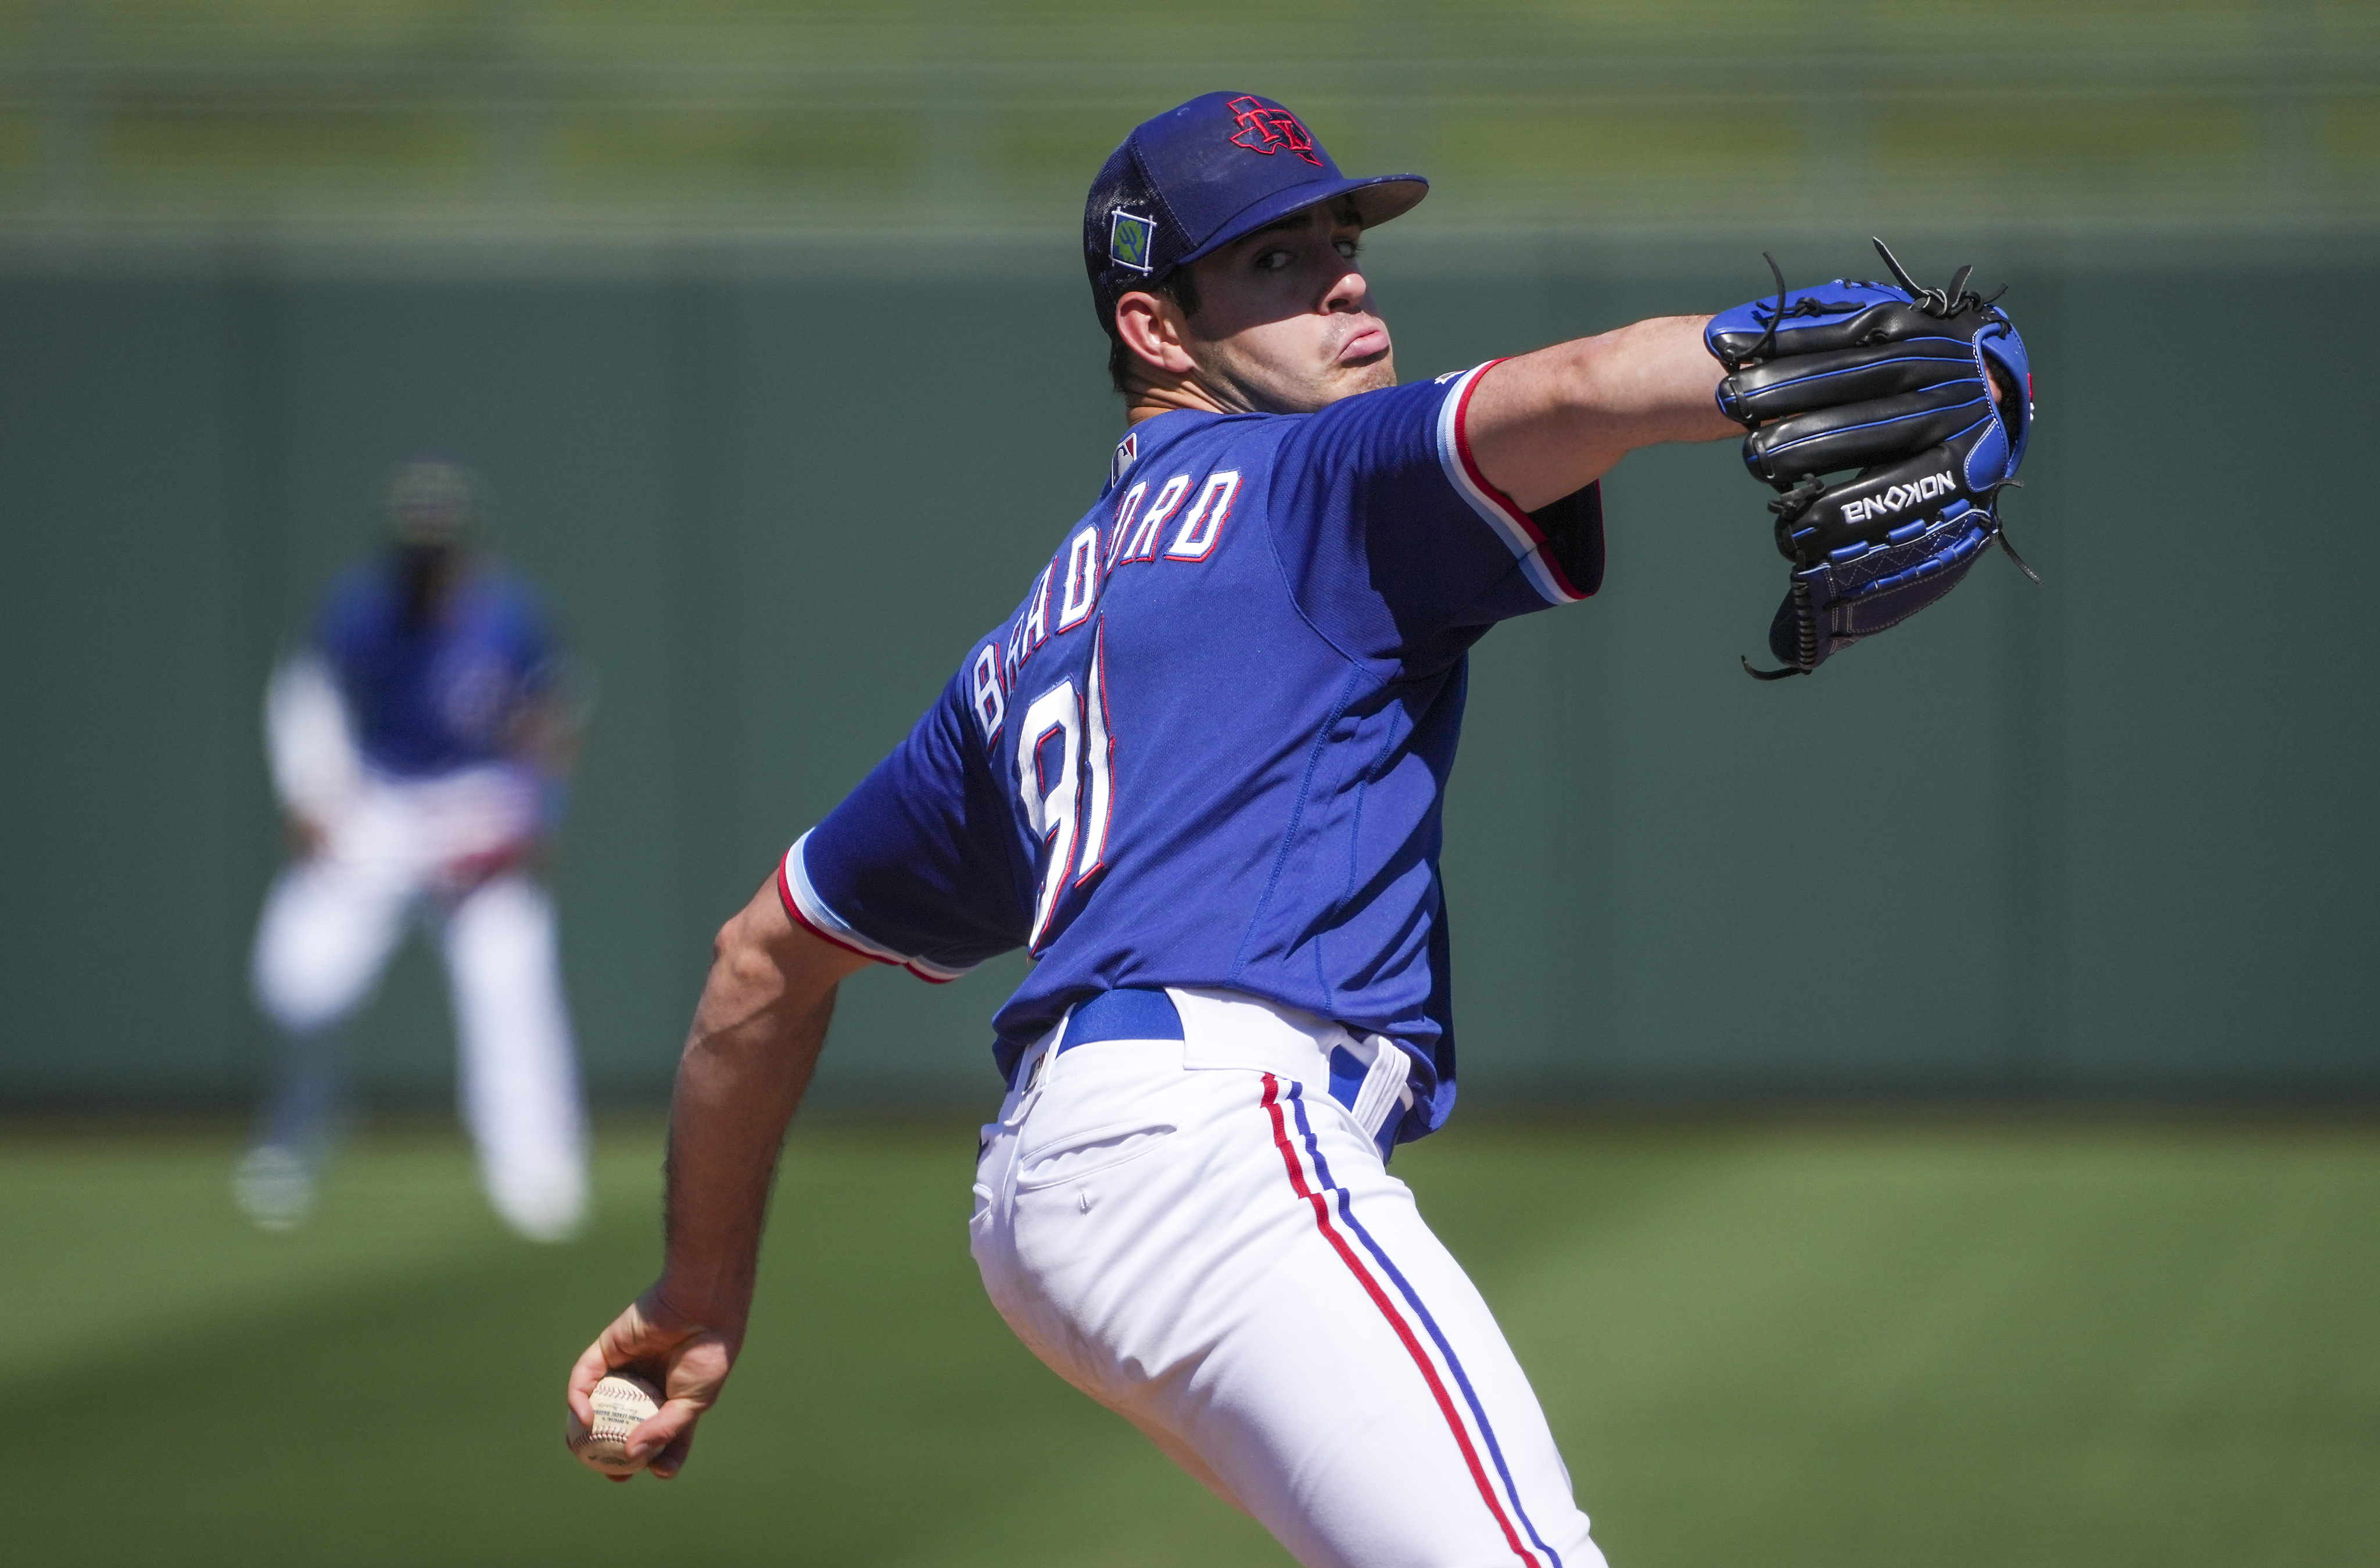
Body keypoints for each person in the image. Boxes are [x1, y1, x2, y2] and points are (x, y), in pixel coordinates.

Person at [567, 91, 1794, 1563]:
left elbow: (758, 965)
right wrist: (1821, 348)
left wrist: (699, 1293)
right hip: (1215, 1144)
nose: (1345, 279)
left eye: (1343, 243)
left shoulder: (1024, 646)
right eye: (1277, 259)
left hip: (1054, 1200)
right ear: (1158, 330)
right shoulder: (1311, 476)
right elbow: (1588, 383)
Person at [236, 458, 589, 1243]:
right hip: (381, 803)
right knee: (298, 981)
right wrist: (309, 792)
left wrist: (534, 815)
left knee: (509, 981)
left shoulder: (509, 615)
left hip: (477, 805)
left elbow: (553, 719)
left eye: (442, 545)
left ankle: (536, 1168)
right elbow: (307, 693)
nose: (429, 560)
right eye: (416, 546)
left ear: (467, 546)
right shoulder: (361, 610)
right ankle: (297, 1133)